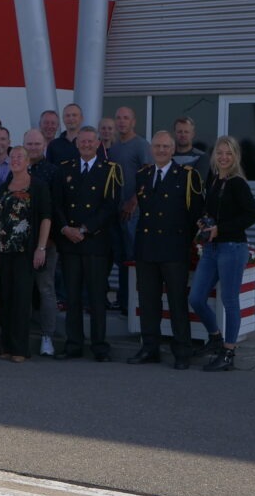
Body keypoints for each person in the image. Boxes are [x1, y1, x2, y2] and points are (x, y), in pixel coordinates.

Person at [129, 131, 204, 370]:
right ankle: (150, 348)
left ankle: (182, 350)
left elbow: (196, 215)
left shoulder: (186, 176)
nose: (161, 150)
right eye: (157, 146)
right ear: (151, 149)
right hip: (147, 248)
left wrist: (187, 243)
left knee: (177, 302)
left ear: (173, 150)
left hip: (174, 248)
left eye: (165, 146)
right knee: (148, 301)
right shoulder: (143, 174)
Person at [190, 135, 255, 372]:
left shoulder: (238, 183)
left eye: (228, 153)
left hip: (232, 248)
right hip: (211, 248)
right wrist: (203, 221)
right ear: (214, 156)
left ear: (235, 157)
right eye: (219, 153)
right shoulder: (213, 180)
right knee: (196, 298)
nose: (223, 157)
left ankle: (229, 352)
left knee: (230, 301)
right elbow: (209, 209)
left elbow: (252, 215)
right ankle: (215, 337)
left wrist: (222, 228)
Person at [52, 126, 121, 362]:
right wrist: (65, 228)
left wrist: (85, 229)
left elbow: (111, 206)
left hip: (95, 242)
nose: (86, 145)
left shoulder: (110, 170)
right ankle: (73, 345)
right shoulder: (65, 169)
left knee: (96, 297)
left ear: (98, 143)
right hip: (70, 243)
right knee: (72, 297)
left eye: (91, 141)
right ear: (77, 143)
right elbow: (57, 204)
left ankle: (99, 346)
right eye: (82, 141)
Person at [0, 146, 52, 361]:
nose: (15, 160)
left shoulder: (38, 186)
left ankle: (20, 349)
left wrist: (41, 247)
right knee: (6, 297)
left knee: (21, 298)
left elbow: (46, 217)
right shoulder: (3, 187)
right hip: (4, 250)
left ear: (28, 161)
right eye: (13, 157)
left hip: (26, 250)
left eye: (20, 157)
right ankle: (6, 346)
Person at [108, 106, 153, 314]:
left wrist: (133, 201)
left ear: (133, 122)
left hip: (133, 212)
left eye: (126, 118)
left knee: (133, 256)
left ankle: (134, 304)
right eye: (119, 118)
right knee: (120, 256)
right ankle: (123, 299)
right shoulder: (114, 148)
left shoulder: (141, 145)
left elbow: (148, 177)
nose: (122, 122)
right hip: (115, 211)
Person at [22, 128, 61, 356]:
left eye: (37, 144)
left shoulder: (53, 172)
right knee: (23, 290)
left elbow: (54, 209)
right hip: (20, 244)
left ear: (44, 145)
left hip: (46, 243)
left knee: (45, 289)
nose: (33, 147)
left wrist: (45, 244)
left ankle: (48, 337)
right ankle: (22, 335)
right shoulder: (16, 170)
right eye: (30, 144)